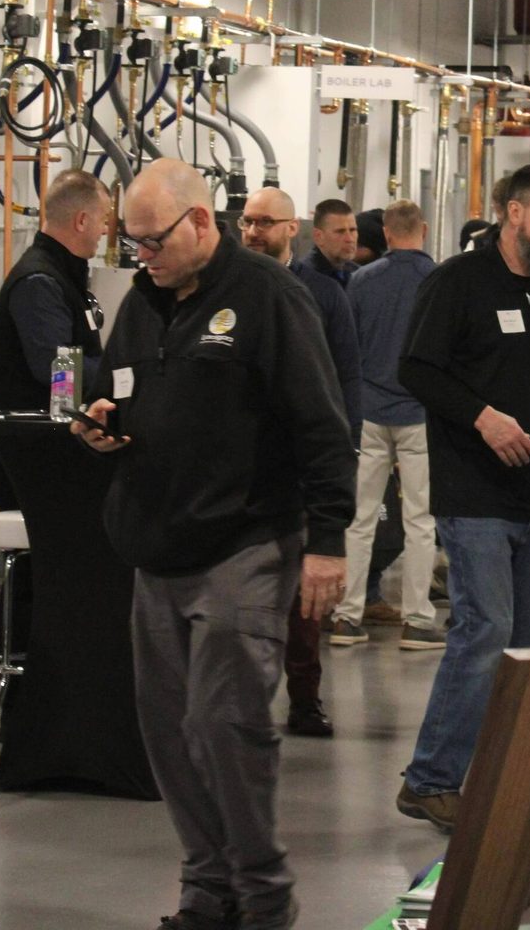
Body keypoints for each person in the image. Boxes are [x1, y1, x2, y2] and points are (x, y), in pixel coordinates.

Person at [73, 159, 353, 930]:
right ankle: (207, 888)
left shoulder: (269, 298)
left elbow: (324, 427)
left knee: (224, 724)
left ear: (201, 222)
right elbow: (121, 386)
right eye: (130, 245)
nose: (142, 257)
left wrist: (327, 542)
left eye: (152, 240)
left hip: (245, 542)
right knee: (168, 731)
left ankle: (263, 895)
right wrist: (102, 421)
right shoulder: (140, 303)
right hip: (155, 544)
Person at [396, 165, 530, 832]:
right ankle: (431, 779)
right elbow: (415, 368)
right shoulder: (457, 282)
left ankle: (507, 776)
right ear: (512, 212)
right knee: (486, 630)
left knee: (528, 644)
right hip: (473, 491)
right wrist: (482, 416)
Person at [0, 170, 156, 798]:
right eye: (106, 217)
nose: (109, 228)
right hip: (34, 465)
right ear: (81, 221)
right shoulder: (37, 283)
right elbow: (59, 371)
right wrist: (133, 375)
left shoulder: (63, 278)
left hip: (68, 457)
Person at [240, 187, 363, 737]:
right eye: (245, 220)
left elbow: (345, 379)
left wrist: (344, 450)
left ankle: (305, 698)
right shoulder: (228, 288)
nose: (251, 231)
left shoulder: (322, 295)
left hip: (304, 464)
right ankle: (239, 699)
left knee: (304, 598)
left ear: (292, 229)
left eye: (264, 222)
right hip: (242, 468)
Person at [330, 200, 444, 650]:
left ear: (385, 232)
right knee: (420, 520)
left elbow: (347, 349)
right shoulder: (438, 281)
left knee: (359, 518)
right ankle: (417, 621)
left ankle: (347, 616)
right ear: (425, 229)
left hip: (368, 414)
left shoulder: (360, 280)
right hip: (420, 416)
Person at [304, 198, 358, 284]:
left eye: (352, 230)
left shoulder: (358, 273)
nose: (350, 239)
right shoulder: (303, 280)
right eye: (340, 231)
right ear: (318, 236)